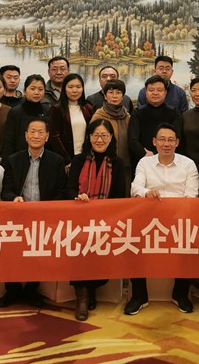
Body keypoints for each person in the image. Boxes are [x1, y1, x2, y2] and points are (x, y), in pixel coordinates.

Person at [127, 123, 199, 315]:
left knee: (190, 241)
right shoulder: (145, 163)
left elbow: (191, 196)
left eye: (170, 140)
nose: (166, 144)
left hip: (180, 220)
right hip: (149, 219)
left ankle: (180, 294)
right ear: (154, 142)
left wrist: (174, 216)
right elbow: (135, 188)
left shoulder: (188, 164)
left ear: (177, 143)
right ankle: (139, 295)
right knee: (132, 241)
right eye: (162, 139)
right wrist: (147, 192)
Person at [0, 117, 68, 308]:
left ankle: (32, 289)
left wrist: (47, 209)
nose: (36, 136)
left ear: (47, 137)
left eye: (40, 132)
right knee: (10, 251)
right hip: (18, 215)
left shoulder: (56, 161)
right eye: (32, 132)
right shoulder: (13, 160)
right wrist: (14, 198)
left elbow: (61, 192)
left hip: (45, 218)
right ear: (26, 135)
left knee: (39, 252)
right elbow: (6, 190)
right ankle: (12, 289)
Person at [67, 119, 128, 321]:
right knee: (79, 252)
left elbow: (120, 196)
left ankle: (92, 289)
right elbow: (69, 189)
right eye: (95, 135)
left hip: (105, 221)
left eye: (104, 136)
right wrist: (78, 197)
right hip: (78, 220)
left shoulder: (117, 163)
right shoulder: (78, 160)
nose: (99, 140)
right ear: (89, 137)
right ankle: (82, 298)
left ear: (111, 138)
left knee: (100, 257)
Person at [128, 75, 181, 180]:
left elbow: (177, 137)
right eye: (151, 90)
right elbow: (132, 139)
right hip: (141, 161)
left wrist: (155, 154)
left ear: (165, 92)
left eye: (159, 90)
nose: (155, 93)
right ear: (146, 92)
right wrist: (146, 155)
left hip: (168, 160)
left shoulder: (174, 113)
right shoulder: (137, 112)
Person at [1, 74, 52, 160]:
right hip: (19, 159)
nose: (36, 92)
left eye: (40, 89)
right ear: (25, 91)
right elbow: (9, 142)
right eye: (32, 89)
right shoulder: (15, 112)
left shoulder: (48, 110)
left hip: (44, 158)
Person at [49, 72, 95, 163]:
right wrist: (66, 159)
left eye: (78, 87)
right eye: (70, 87)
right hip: (65, 158)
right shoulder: (57, 109)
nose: (74, 90)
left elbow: (92, 133)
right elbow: (54, 137)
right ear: (64, 89)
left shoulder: (88, 108)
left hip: (85, 156)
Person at [89, 79, 131, 174]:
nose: (114, 96)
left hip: (124, 165)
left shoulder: (127, 117)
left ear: (123, 96)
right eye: (111, 92)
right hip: (103, 165)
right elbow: (90, 140)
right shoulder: (98, 116)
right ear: (105, 96)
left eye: (118, 92)